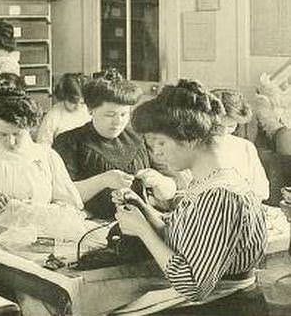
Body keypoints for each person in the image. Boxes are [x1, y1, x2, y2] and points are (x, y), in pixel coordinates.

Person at [115, 80, 268, 315]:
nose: (157, 152)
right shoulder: (210, 181)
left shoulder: (220, 196)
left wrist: (143, 231)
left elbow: (193, 286)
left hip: (228, 307)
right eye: (152, 144)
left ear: (189, 138)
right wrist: (144, 212)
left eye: (161, 142)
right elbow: (189, 237)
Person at [53, 69, 175, 219]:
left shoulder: (139, 137)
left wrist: (160, 182)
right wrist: (103, 180)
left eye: (124, 114)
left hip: (143, 222)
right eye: (110, 115)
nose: (118, 122)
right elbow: (62, 195)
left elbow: (172, 185)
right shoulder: (69, 141)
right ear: (91, 110)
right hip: (90, 225)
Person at [0, 89, 82, 229]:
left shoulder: (47, 156)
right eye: (2, 135)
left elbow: (69, 206)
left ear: (30, 127)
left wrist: (38, 211)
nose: (10, 141)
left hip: (43, 233)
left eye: (17, 134)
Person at [207, 89, 269, 201]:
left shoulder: (246, 147)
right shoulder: (196, 145)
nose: (223, 132)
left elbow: (263, 190)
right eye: (217, 127)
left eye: (231, 126)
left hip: (243, 208)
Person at [36, 73, 91, 146]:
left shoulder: (88, 113)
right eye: (73, 102)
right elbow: (43, 146)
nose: (77, 107)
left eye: (81, 103)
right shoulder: (53, 116)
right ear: (64, 97)